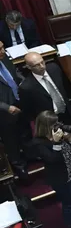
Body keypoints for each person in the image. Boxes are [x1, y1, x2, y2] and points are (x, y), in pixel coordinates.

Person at [32, 111, 71, 228]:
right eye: (53, 123)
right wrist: (56, 143)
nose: (57, 125)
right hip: (62, 178)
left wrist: (70, 139)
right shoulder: (39, 142)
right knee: (68, 204)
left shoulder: (60, 133)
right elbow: (51, 159)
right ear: (45, 125)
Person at [20, 51, 71, 125]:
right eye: (37, 65)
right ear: (29, 67)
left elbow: (66, 86)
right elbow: (29, 111)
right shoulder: (26, 87)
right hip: (50, 121)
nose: (42, 66)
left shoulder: (54, 68)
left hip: (67, 110)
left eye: (42, 62)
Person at [0, 40, 25, 175]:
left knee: (24, 129)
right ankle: (18, 164)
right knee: (10, 138)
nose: (3, 51)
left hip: (18, 100)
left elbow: (14, 72)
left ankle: (30, 153)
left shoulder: (4, 58)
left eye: (3, 47)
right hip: (4, 111)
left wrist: (23, 82)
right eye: (0, 49)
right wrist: (6, 107)